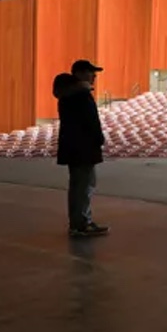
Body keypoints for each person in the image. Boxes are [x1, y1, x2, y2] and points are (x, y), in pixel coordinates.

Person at [54, 60, 109, 238]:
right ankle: (81, 224)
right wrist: (98, 138)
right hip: (83, 147)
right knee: (83, 186)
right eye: (90, 72)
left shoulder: (69, 95)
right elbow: (90, 121)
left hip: (75, 146)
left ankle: (80, 221)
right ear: (79, 74)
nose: (94, 76)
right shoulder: (79, 95)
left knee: (80, 185)